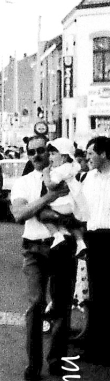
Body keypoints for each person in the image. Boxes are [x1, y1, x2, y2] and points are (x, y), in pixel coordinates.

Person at [11, 137, 77, 381]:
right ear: (27, 154)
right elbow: (19, 214)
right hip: (34, 248)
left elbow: (78, 210)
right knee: (36, 303)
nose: (37, 155)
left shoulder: (67, 177)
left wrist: (55, 213)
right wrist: (48, 199)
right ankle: (33, 364)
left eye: (42, 150)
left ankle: (57, 361)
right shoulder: (24, 183)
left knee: (61, 305)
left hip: (62, 247)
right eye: (32, 152)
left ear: (50, 152)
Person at [80, 136, 110, 365]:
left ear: (104, 154)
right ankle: (95, 346)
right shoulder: (87, 178)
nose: (87, 157)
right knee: (95, 293)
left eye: (91, 153)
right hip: (92, 238)